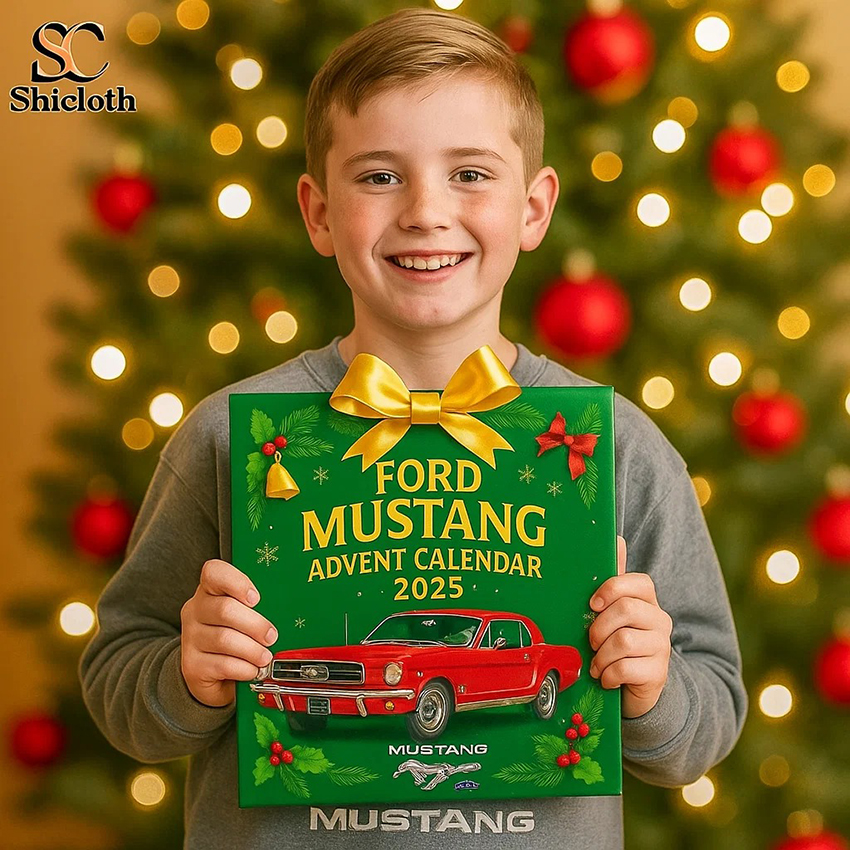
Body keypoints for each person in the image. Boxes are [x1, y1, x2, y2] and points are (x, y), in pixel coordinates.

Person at [78, 8, 747, 849]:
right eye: (379, 177)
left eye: (470, 173)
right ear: (318, 214)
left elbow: (710, 713)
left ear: (534, 209)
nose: (427, 212)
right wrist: (188, 674)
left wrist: (652, 686)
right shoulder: (227, 439)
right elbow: (115, 682)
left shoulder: (614, 445)